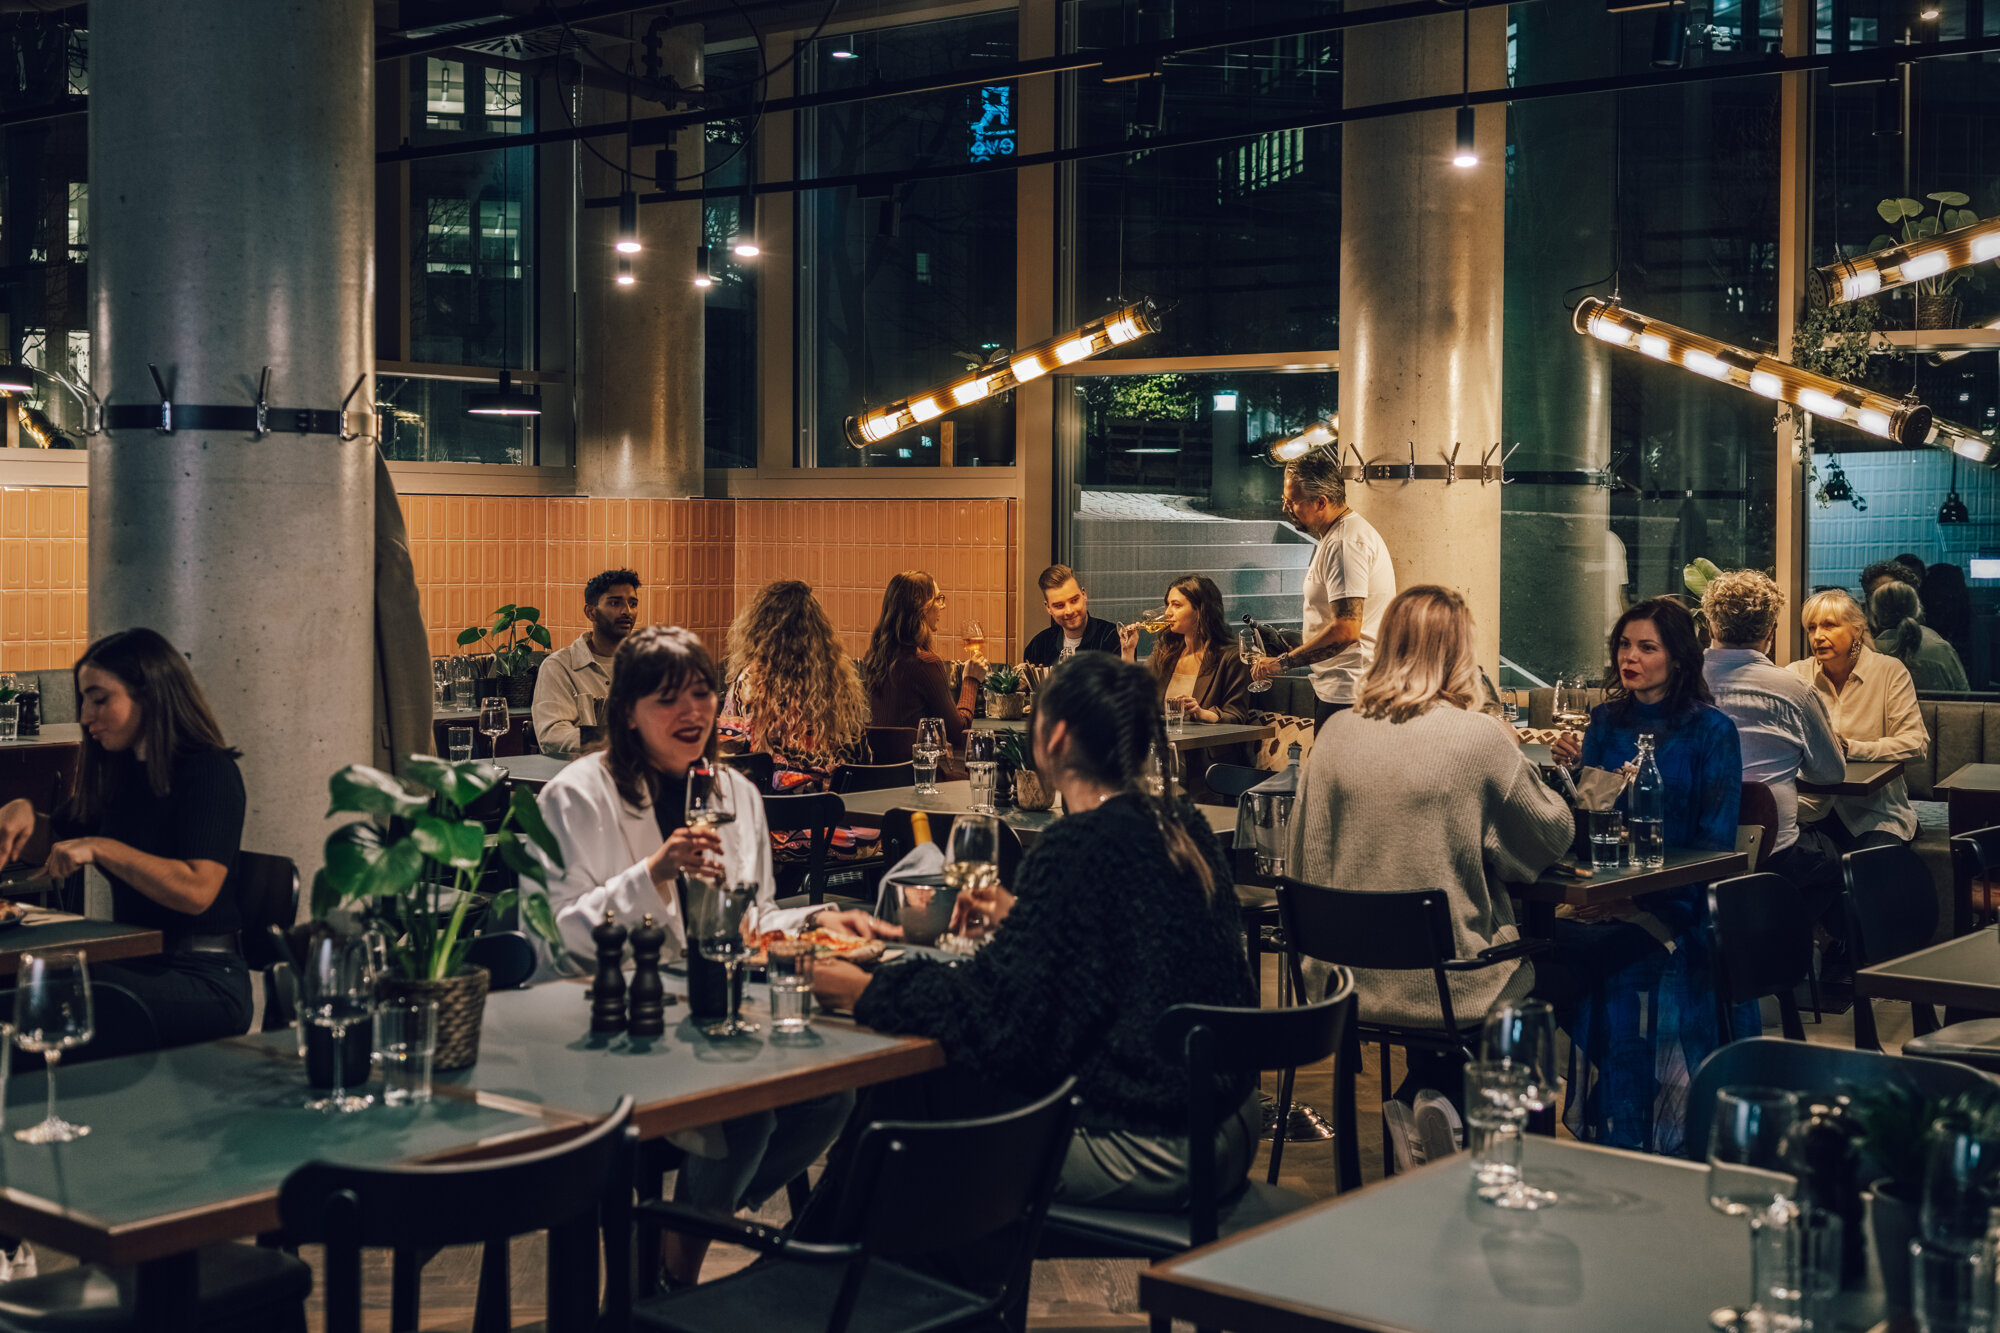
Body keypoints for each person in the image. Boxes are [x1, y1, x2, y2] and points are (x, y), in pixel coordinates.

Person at [814, 653, 1259, 1211]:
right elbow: (1113, 950)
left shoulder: (1078, 845)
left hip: (1158, 1141)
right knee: (925, 1097)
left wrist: (865, 992)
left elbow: (1005, 1018)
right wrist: (1023, 913)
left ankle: (823, 1269)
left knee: (908, 1124)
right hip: (1228, 1120)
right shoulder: (1179, 825)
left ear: (1056, 737)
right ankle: (868, 1277)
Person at [532, 626, 889, 1284]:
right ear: (628, 713)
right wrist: (655, 870)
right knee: (744, 1113)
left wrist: (819, 917)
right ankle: (682, 1264)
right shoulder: (577, 794)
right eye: (669, 699)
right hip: (616, 1029)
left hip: (720, 1012)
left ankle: (691, 1226)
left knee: (832, 1096)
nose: (692, 712)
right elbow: (557, 937)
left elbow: (750, 917)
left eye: (701, 693)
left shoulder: (734, 793)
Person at [1290, 586, 1573, 1168]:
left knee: (1443, 981)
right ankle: (1484, 1129)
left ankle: (1425, 1103)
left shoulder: (1335, 733)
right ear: (1459, 652)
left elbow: (1302, 857)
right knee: (1564, 972)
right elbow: (1547, 839)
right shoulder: (1479, 737)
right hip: (1450, 983)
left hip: (1339, 984)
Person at [1551, 598, 1746, 1155]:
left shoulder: (1712, 731)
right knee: (1541, 958)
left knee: (1609, 966)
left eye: (1646, 647)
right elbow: (1587, 827)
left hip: (1681, 904)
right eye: (1623, 645)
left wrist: (1634, 901)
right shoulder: (1606, 721)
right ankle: (1624, 1101)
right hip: (1606, 896)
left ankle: (1640, 1118)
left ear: (1679, 659)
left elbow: (1714, 846)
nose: (1629, 658)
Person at [0, 629, 253, 1049]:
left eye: (100, 699)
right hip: (135, 963)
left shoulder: (208, 771)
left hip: (205, 980)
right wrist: (22, 813)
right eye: (84, 700)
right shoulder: (121, 776)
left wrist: (103, 847)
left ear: (152, 696)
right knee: (25, 985)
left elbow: (198, 891)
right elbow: (55, 841)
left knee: (42, 996)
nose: (85, 715)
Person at [1699, 570, 1846, 911]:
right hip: (1771, 854)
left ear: (1710, 627)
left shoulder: (1677, 682)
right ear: (1770, 632)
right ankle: (1807, 948)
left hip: (1689, 854)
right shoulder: (1794, 690)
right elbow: (1831, 774)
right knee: (1829, 858)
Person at [1250, 449, 1395, 730]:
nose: (1285, 508)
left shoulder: (1344, 544)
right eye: (1284, 500)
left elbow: (1346, 630)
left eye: (1292, 501)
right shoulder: (1339, 536)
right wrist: (1298, 641)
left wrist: (1282, 662)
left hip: (1350, 694)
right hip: (1342, 689)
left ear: (1320, 502)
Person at [1787, 589, 1926, 856]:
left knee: (1871, 869)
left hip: (1874, 811)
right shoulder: (1795, 675)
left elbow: (1915, 744)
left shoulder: (1889, 671)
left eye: (1829, 625)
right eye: (1811, 627)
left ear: (1857, 630)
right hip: (1809, 808)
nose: (1818, 636)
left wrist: (1851, 748)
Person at [720, 580, 872, 790]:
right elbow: (861, 758)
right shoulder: (840, 681)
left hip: (774, 811)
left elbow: (727, 756)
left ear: (760, 630)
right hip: (833, 810)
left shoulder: (751, 681)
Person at [860, 570, 986, 751]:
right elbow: (959, 733)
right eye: (937, 599)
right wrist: (971, 680)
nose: (942, 606)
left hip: (878, 774)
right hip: (916, 773)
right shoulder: (926, 664)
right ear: (921, 607)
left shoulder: (874, 658)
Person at [532, 568, 640, 759]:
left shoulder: (647, 665)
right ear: (591, 612)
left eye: (632, 603)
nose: (627, 611)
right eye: (615, 603)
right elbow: (552, 736)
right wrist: (618, 741)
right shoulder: (559, 667)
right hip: (579, 778)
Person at [1870, 580, 1969, 693]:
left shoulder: (1867, 654)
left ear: (1876, 613)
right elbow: (1964, 696)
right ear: (1917, 609)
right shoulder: (1941, 650)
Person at [1023, 564, 1121, 666]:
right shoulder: (1038, 646)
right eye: (1059, 605)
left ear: (1084, 595)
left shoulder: (1112, 637)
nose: (1069, 611)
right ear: (1048, 608)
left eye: (1074, 600)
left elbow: (1127, 680)